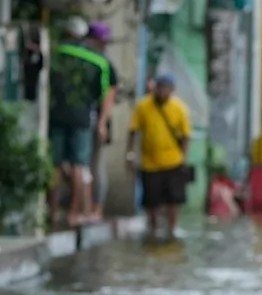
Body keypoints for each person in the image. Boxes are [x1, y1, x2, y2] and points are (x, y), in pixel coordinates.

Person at [48, 16, 115, 228]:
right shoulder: (99, 61)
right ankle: (73, 214)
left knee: (55, 164)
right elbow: (107, 94)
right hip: (82, 118)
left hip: (56, 114)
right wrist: (102, 122)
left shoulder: (55, 53)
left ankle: (52, 213)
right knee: (79, 165)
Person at [127, 74, 192, 240]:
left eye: (166, 89)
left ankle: (173, 227)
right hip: (150, 162)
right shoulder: (143, 106)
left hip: (173, 160)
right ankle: (154, 227)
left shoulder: (179, 108)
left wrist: (183, 158)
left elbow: (186, 135)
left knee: (173, 198)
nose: (163, 92)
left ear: (172, 90)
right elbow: (133, 131)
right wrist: (130, 154)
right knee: (151, 199)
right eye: (160, 88)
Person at [84, 22, 119, 221]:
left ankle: (96, 208)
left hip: (96, 121)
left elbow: (110, 95)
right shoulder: (84, 61)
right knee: (81, 165)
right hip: (81, 119)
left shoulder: (104, 64)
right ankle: (87, 207)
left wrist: (102, 122)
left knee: (95, 165)